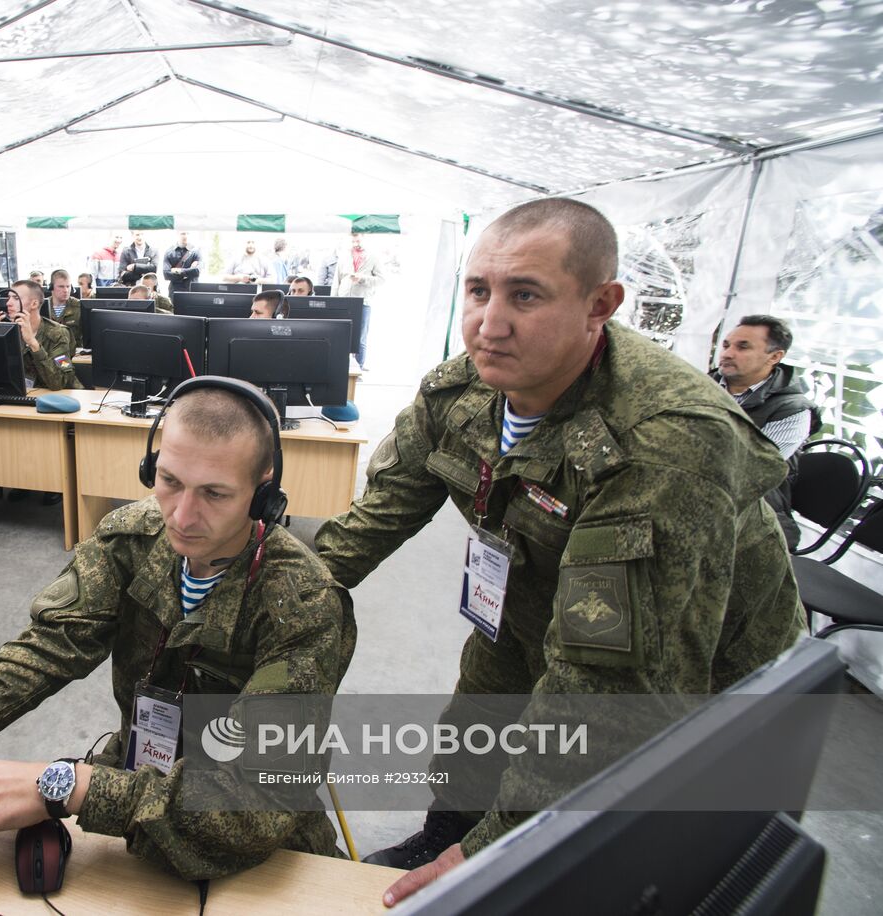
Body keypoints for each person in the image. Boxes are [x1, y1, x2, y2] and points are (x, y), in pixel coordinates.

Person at [313, 198, 804, 907]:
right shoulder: (462, 391)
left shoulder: (664, 438)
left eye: (526, 295)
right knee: (479, 718)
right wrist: (276, 597)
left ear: (599, 304)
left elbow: (612, 688)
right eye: (478, 291)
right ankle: (444, 833)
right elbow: (376, 516)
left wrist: (493, 853)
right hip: (525, 603)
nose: (490, 322)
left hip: (703, 678)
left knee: (628, 847)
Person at [0, 377, 356, 880]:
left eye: (214, 494)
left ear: (264, 492)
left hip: (257, 830)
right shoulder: (131, 539)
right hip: (142, 768)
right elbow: (44, 651)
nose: (182, 517)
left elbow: (252, 802)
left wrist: (68, 785)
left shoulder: (303, 601)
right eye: (168, 481)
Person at [711, 315, 819, 549]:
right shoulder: (702, 385)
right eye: (726, 345)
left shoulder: (793, 410)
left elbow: (749, 471)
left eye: (743, 347)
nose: (727, 353)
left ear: (775, 356)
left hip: (753, 513)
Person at [0, 280, 82, 390]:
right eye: (8, 298)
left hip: (60, 397)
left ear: (34, 304)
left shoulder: (58, 333)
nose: (8, 303)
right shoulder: (10, 332)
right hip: (26, 395)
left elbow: (59, 383)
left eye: (16, 298)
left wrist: (33, 343)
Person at [333, 233, 383, 369]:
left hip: (363, 301)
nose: (356, 244)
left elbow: (381, 280)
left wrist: (362, 278)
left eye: (358, 241)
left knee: (360, 336)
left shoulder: (373, 257)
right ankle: (340, 366)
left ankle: (359, 367)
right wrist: (334, 301)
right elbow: (336, 281)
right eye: (353, 241)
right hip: (344, 301)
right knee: (341, 334)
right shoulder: (344, 257)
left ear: (364, 239)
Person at [45, 269, 83, 352]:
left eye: (68, 286)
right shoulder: (42, 306)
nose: (66, 290)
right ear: (51, 287)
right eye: (61, 286)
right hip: (48, 353)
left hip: (73, 353)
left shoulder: (79, 306)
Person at [163, 230, 201, 295]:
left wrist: (178, 271)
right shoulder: (169, 252)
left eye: (187, 233)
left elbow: (197, 271)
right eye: (183, 233)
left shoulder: (196, 251)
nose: (185, 236)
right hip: (175, 291)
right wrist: (189, 272)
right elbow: (166, 274)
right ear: (177, 234)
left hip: (192, 290)